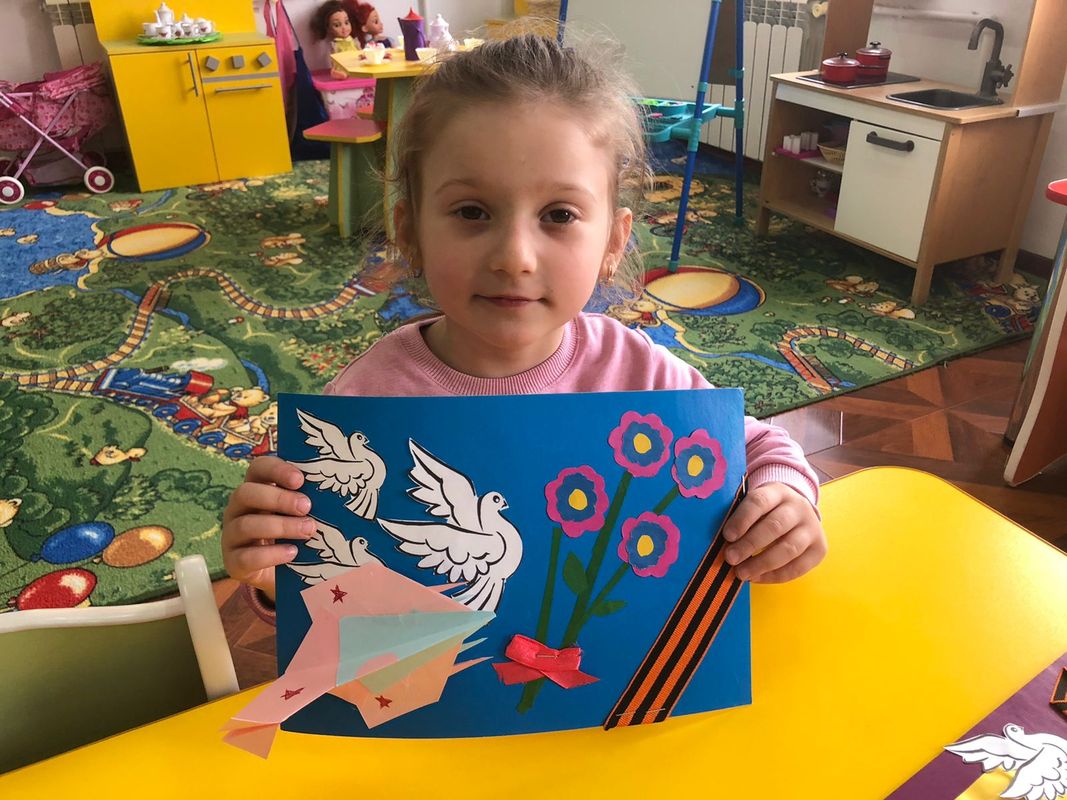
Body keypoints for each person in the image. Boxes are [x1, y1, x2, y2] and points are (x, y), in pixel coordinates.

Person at [222, 34, 827, 618]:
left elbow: (758, 446)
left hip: (626, 680)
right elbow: (326, 599)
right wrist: (276, 579)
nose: (515, 257)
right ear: (410, 233)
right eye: (471, 211)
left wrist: (785, 500)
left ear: (613, 242)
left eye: (559, 215)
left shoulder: (638, 372)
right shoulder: (361, 405)